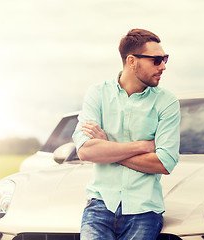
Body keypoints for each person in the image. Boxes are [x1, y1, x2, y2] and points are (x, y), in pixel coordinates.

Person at [72, 28, 180, 240]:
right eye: (157, 60)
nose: (164, 66)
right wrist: (143, 146)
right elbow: (85, 151)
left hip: (144, 210)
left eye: (165, 58)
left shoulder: (167, 102)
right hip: (99, 206)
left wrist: (107, 147)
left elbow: (164, 163)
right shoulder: (98, 93)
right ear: (132, 61)